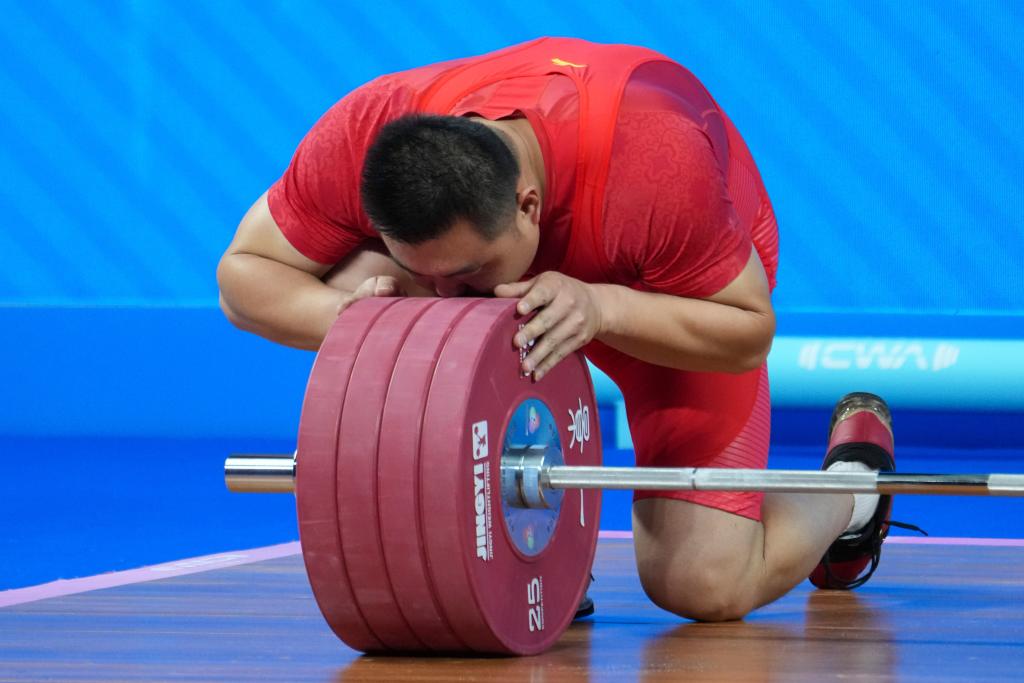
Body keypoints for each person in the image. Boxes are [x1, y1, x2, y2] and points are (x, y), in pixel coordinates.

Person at [217, 37, 897, 621]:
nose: (446, 299)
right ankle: (538, 559)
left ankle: (855, 488)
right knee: (356, 279)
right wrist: (363, 321)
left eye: (468, 271)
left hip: (668, 289)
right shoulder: (373, 129)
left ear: (528, 206)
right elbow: (244, 275)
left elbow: (748, 332)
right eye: (430, 275)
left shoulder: (653, 162)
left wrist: (602, 308)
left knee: (702, 584)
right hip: (563, 273)